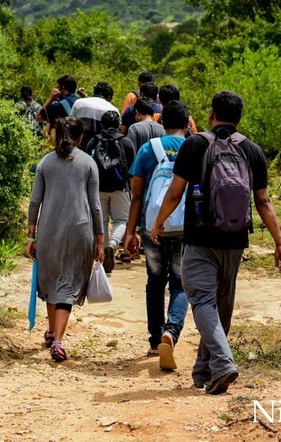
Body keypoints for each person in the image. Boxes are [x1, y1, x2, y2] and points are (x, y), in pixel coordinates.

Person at [150, 90, 281, 395]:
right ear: (239, 117)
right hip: (236, 239)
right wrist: (279, 243)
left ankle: (223, 363)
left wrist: (158, 223)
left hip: (200, 238)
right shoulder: (252, 150)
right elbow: (263, 200)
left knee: (201, 301)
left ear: (211, 114)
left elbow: (175, 192)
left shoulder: (195, 145)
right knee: (221, 306)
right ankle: (204, 370)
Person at [27, 117, 105, 362]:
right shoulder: (88, 163)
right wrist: (100, 239)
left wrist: (31, 235)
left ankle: (53, 333)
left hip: (49, 230)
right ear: (80, 138)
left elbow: (34, 202)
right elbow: (95, 206)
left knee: (52, 280)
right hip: (80, 231)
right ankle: (57, 339)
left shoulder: (45, 163)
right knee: (68, 282)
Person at [124, 100, 190, 371]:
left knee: (154, 281)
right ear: (188, 124)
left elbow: (137, 195)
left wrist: (130, 231)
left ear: (162, 122)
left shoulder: (147, 150)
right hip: (184, 227)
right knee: (180, 283)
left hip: (153, 227)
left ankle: (154, 339)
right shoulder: (194, 147)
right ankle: (171, 332)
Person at [85, 109, 135, 274]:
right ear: (119, 124)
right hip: (120, 187)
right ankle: (113, 245)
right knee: (121, 220)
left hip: (98, 188)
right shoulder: (126, 142)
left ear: (102, 125)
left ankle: (104, 248)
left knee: (103, 221)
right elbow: (132, 169)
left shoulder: (93, 142)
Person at [71, 81, 118, 146]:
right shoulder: (112, 110)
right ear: (109, 97)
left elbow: (70, 123)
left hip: (79, 146)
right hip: (100, 149)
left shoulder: (79, 103)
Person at [39, 75, 80, 140]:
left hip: (62, 141)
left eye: (58, 87)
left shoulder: (58, 105)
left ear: (63, 88)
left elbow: (39, 116)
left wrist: (51, 98)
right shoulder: (79, 101)